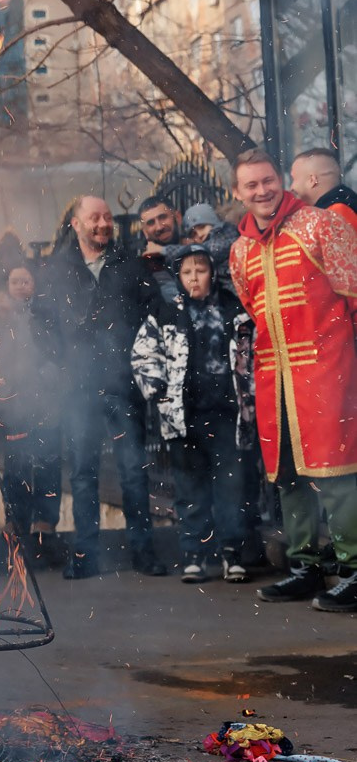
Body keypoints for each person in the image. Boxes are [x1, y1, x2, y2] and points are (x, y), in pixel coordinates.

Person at [230, 147, 357, 611]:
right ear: (237, 192)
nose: (262, 190)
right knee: (287, 477)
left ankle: (354, 569)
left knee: (340, 476)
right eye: (251, 185)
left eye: (268, 180)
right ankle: (306, 567)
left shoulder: (321, 224)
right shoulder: (239, 250)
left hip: (329, 373)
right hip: (274, 379)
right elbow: (252, 307)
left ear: (281, 179)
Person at [44, 195, 166, 579]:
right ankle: (85, 555)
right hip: (78, 389)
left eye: (108, 217)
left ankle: (144, 553)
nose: (103, 224)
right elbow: (41, 323)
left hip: (122, 386)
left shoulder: (130, 266)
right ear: (76, 224)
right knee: (82, 472)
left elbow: (155, 315)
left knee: (133, 470)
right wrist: (59, 364)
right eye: (94, 217)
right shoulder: (57, 271)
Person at [132, 245, 255, 582]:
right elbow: (143, 354)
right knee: (190, 489)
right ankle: (194, 555)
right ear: (178, 277)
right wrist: (158, 393)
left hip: (228, 416)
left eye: (200, 270)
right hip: (184, 418)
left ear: (212, 273)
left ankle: (232, 554)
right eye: (186, 272)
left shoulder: (233, 310)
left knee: (231, 488)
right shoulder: (167, 312)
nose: (194, 278)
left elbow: (253, 356)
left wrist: (250, 394)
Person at [0, 262, 64, 559]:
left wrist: (50, 372)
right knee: (16, 467)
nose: (20, 286)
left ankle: (45, 523)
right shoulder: (0, 320)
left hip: (45, 404)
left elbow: (58, 351)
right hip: (14, 405)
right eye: (15, 281)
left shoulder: (46, 315)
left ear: (34, 284)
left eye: (25, 281)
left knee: (46, 464)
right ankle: (15, 521)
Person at [290, 147, 357, 235]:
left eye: (294, 179)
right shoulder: (345, 206)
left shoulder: (333, 216)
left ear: (312, 180)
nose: (291, 187)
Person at [136, 195, 182, 305]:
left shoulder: (196, 244)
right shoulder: (144, 265)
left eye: (163, 217)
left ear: (177, 217)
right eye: (151, 223)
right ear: (145, 231)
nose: (159, 227)